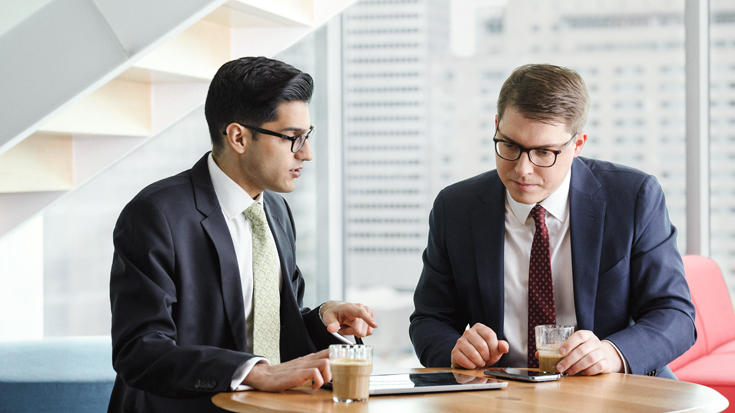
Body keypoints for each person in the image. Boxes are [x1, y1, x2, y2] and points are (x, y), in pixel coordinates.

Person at [108, 56, 377, 412]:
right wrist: (254, 373)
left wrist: (321, 319)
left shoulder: (276, 211)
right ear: (238, 137)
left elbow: (264, 321)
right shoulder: (156, 215)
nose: (307, 154)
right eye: (292, 138)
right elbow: (140, 351)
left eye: (307, 136)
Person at [409, 64, 695, 379]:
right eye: (510, 145)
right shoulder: (456, 208)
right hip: (502, 393)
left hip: (612, 389)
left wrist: (612, 353)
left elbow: (675, 315)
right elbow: (429, 320)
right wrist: (454, 349)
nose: (522, 169)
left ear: (578, 144)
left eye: (544, 152)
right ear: (496, 126)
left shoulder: (632, 197)